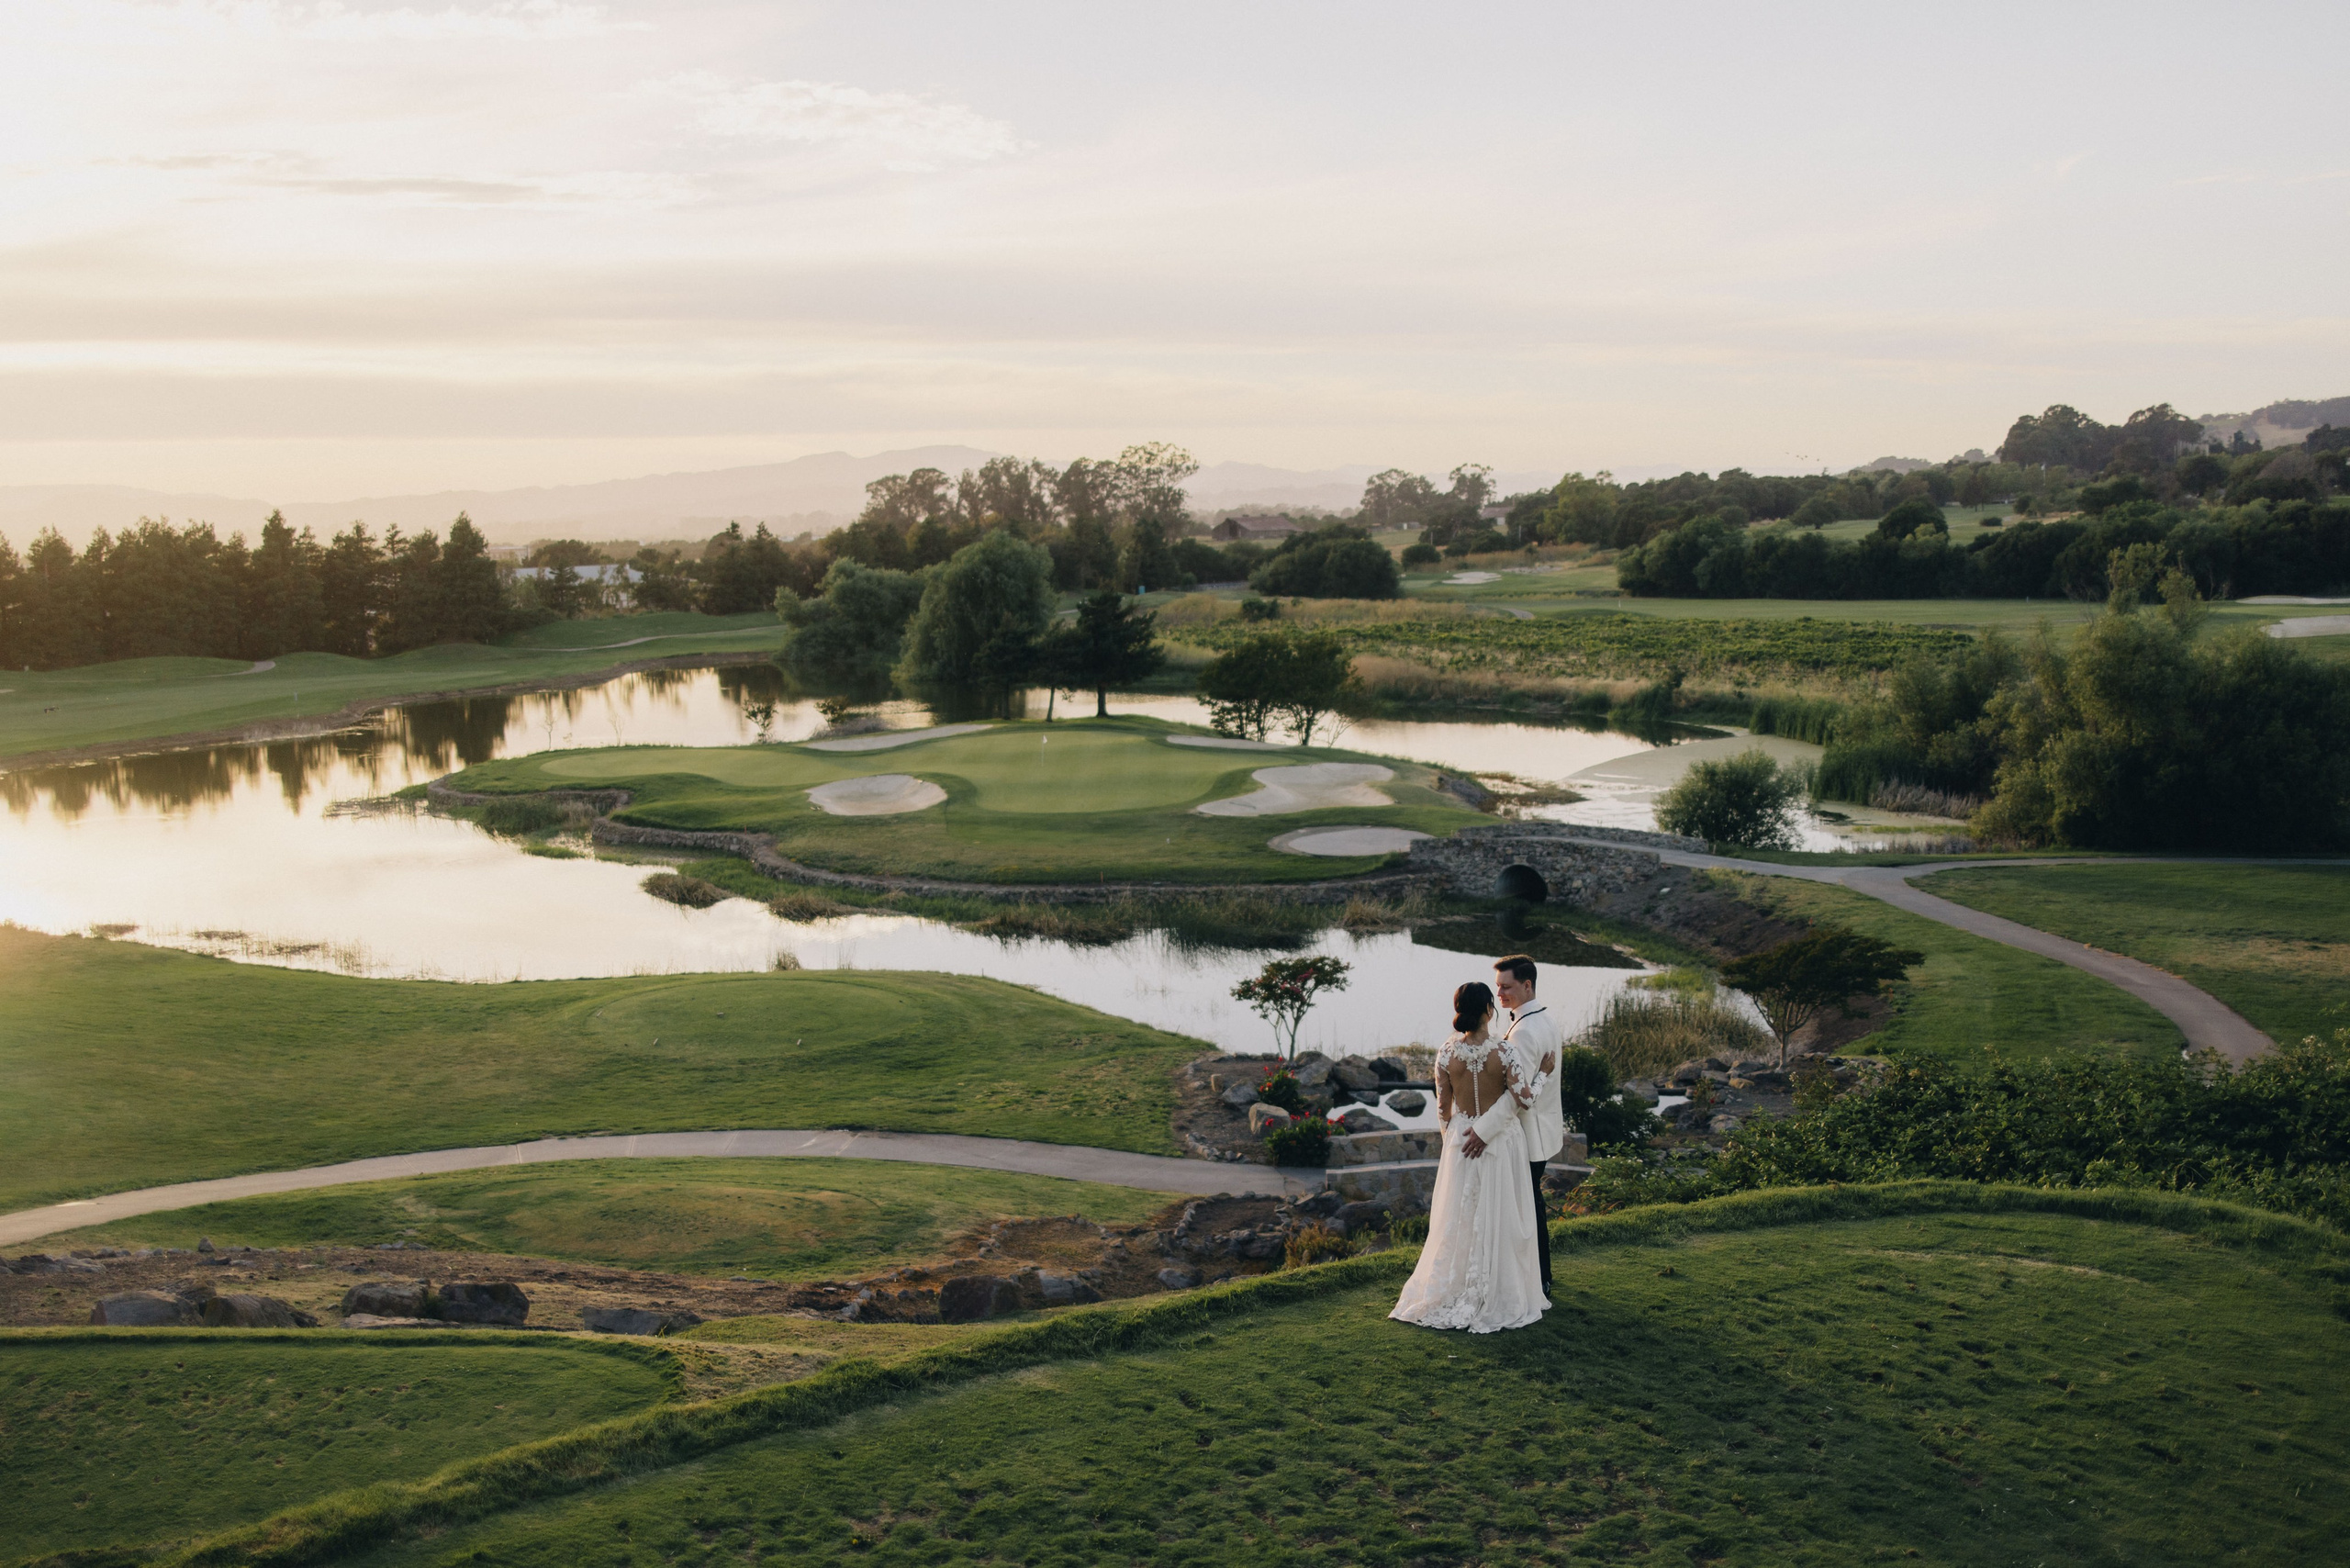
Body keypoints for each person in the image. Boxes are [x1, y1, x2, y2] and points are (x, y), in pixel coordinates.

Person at [1390, 981, 1551, 1333]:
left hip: (1462, 1143)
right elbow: (1524, 1099)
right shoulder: (1505, 1053)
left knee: (1460, 1220)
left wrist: (1454, 1145)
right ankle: (1496, 1289)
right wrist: (1543, 1076)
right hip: (1501, 1145)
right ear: (1488, 1010)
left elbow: (1443, 1107)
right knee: (1501, 1216)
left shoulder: (1446, 1054)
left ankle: (1457, 1285)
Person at [1468, 953, 1563, 1295]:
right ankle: (1538, 1278)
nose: (1500, 994)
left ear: (1527, 985)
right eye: (1498, 987)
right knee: (1530, 1207)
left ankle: (1538, 1280)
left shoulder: (1523, 1033)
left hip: (1528, 1136)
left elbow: (1515, 1098)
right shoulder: (1546, 1019)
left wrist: (1481, 1132)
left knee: (1526, 1211)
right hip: (1544, 1130)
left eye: (1506, 987)